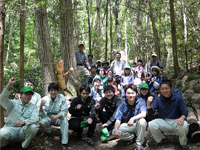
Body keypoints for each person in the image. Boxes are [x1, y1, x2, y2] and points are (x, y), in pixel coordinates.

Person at [147, 80, 189, 150]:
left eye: (166, 88)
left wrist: (182, 118)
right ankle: (161, 139)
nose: (164, 91)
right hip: (164, 121)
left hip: (176, 121)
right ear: (160, 90)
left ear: (171, 89)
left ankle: (183, 142)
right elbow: (151, 113)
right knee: (151, 124)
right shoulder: (158, 99)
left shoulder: (178, 98)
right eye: (162, 89)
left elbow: (184, 111)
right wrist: (148, 104)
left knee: (185, 125)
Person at [0, 77, 39, 150]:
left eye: (30, 95)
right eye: (26, 94)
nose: (28, 96)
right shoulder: (12, 103)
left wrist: (24, 122)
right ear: (20, 95)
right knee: (1, 133)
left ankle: (24, 146)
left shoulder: (33, 106)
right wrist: (9, 85)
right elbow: (1, 99)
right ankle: (4, 145)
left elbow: (36, 118)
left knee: (34, 127)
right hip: (11, 129)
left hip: (23, 131)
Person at [113, 84, 147, 150]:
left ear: (136, 93)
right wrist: (116, 129)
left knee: (142, 121)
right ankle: (132, 137)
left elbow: (144, 113)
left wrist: (133, 118)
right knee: (114, 132)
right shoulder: (122, 104)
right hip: (128, 126)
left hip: (138, 125)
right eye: (128, 93)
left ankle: (139, 143)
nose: (131, 95)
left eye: (133, 93)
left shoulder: (141, 101)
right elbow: (118, 120)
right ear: (125, 94)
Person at [39, 83, 68, 150]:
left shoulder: (62, 98)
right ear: (49, 91)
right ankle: (48, 132)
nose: (53, 92)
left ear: (58, 91)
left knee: (65, 121)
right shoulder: (44, 99)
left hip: (58, 117)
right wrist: (40, 106)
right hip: (48, 118)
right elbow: (42, 114)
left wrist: (57, 116)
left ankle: (64, 143)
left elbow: (65, 111)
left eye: (55, 90)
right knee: (42, 121)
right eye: (51, 90)